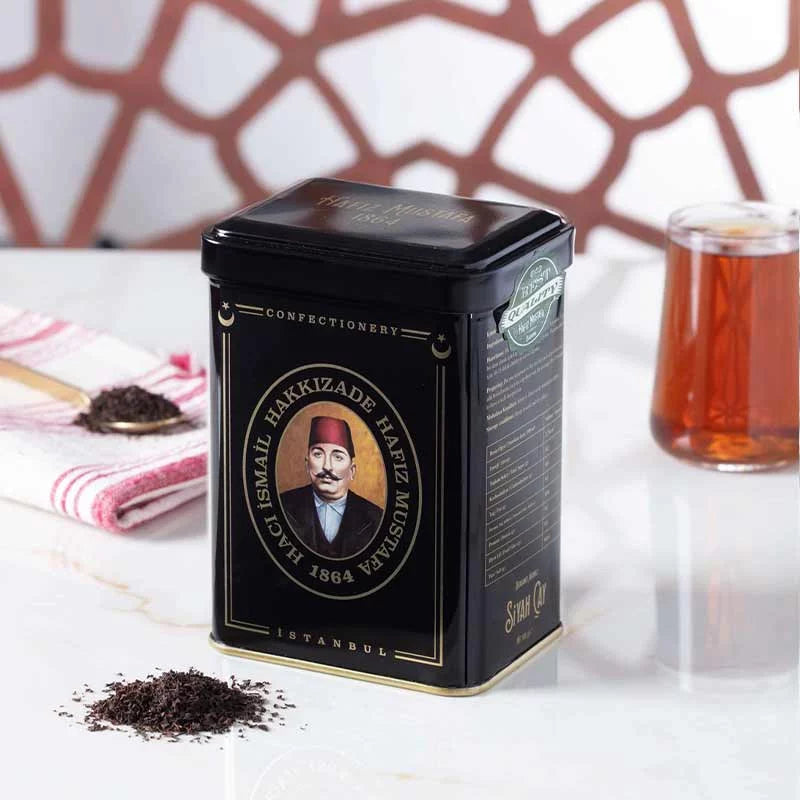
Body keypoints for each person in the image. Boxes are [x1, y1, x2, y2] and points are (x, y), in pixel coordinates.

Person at [280, 415, 383, 558]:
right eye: (318, 454)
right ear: (307, 464)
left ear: (352, 471)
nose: (327, 466)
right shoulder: (282, 506)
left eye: (338, 457)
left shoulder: (375, 518)